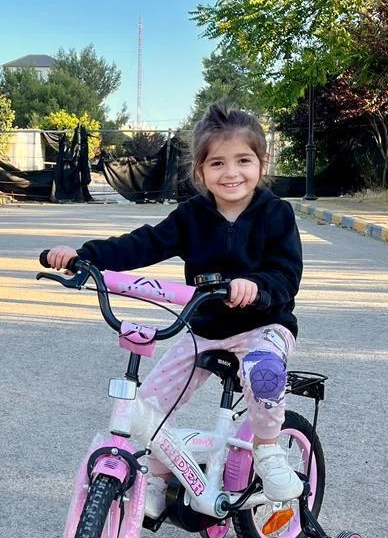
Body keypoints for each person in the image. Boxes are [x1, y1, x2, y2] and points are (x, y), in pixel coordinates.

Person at [44, 103, 304, 510]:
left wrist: (255, 286)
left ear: (261, 163)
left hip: (264, 326)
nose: (231, 173)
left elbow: (287, 275)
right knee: (145, 409)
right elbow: (141, 243)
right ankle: (159, 478)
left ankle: (269, 450)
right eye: (217, 163)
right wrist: (83, 255)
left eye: (243, 161)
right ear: (200, 171)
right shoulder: (191, 216)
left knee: (264, 370)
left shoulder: (276, 214)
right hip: (205, 330)